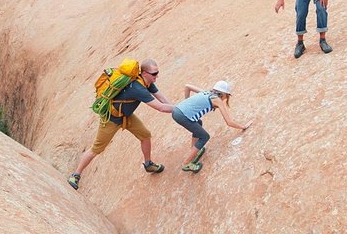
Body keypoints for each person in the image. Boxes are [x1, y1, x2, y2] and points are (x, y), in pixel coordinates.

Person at [68, 59, 175, 190]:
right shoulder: (138, 88)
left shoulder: (148, 82)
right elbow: (161, 107)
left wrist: (177, 107)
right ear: (144, 73)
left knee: (145, 135)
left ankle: (148, 164)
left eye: (157, 72)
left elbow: (163, 99)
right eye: (154, 73)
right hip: (111, 119)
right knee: (96, 149)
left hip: (126, 116)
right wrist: (179, 110)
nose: (157, 76)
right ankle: (75, 175)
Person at [172, 81, 252, 172]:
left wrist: (186, 102)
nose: (226, 98)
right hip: (182, 116)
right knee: (204, 136)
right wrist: (243, 126)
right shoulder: (217, 100)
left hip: (177, 110)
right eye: (227, 95)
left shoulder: (206, 92)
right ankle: (186, 163)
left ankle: (193, 150)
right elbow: (229, 122)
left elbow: (187, 86)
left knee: (199, 122)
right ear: (223, 94)